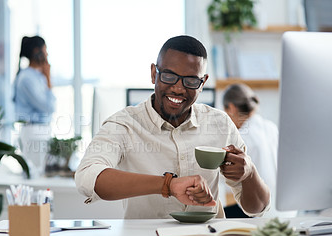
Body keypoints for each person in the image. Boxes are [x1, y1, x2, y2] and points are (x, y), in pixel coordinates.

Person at [75, 35, 270, 219]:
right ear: (154, 73)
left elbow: (257, 209)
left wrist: (249, 173)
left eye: (191, 81)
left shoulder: (220, 124)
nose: (178, 88)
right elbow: (86, 177)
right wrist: (168, 185)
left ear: (203, 83)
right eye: (169, 76)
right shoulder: (124, 125)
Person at [223, 83, 296, 218]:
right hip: (287, 211)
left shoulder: (241, 137)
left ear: (231, 108)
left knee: (216, 216)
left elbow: (230, 187)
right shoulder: (271, 127)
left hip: (260, 213)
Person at [13, 36, 56, 176]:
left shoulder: (37, 76)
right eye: (45, 50)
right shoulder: (27, 78)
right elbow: (49, 106)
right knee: (36, 176)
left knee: (42, 174)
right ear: (37, 51)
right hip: (34, 131)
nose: (47, 54)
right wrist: (49, 79)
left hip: (41, 130)